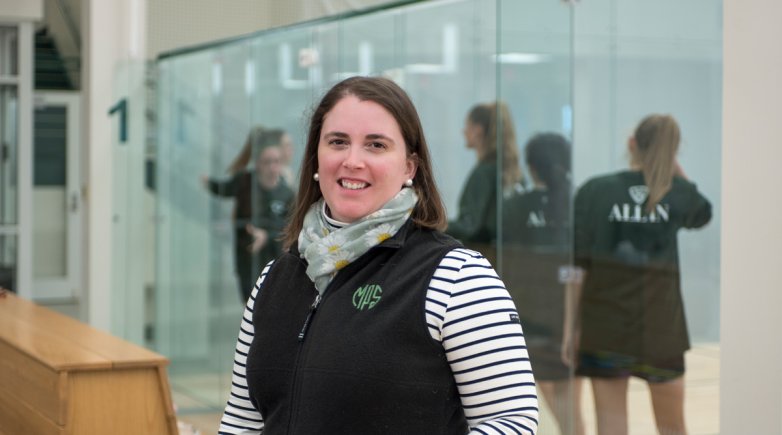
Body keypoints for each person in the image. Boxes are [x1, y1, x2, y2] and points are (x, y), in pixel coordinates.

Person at [218, 76, 538, 434]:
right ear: (316, 159)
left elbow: (512, 423)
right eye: (338, 142)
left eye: (376, 145)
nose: (353, 161)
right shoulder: (273, 279)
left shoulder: (457, 277)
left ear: (409, 167)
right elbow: (241, 422)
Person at [573, 114, 712, 435]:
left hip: (605, 327)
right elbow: (702, 213)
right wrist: (671, 167)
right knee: (673, 428)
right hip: (661, 330)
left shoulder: (595, 190)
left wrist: (572, 325)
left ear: (631, 143)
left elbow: (579, 266)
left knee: (610, 428)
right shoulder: (676, 192)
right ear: (672, 150)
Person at [502, 132, 585, 435]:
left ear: (532, 167)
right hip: (567, 315)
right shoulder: (577, 203)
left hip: (526, 316)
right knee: (569, 415)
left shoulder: (513, 207)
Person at [202, 126, 295, 303]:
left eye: (276, 161)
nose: (272, 167)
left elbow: (291, 230)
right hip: (246, 260)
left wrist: (267, 236)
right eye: (267, 162)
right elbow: (223, 189)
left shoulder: (287, 194)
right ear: (258, 163)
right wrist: (206, 182)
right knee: (250, 309)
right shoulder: (245, 182)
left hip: (275, 262)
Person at [447, 101, 525, 263]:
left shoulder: (484, 173)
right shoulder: (512, 171)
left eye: (467, 125)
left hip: (484, 260)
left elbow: (469, 226)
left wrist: (436, 226)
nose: (463, 131)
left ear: (478, 130)